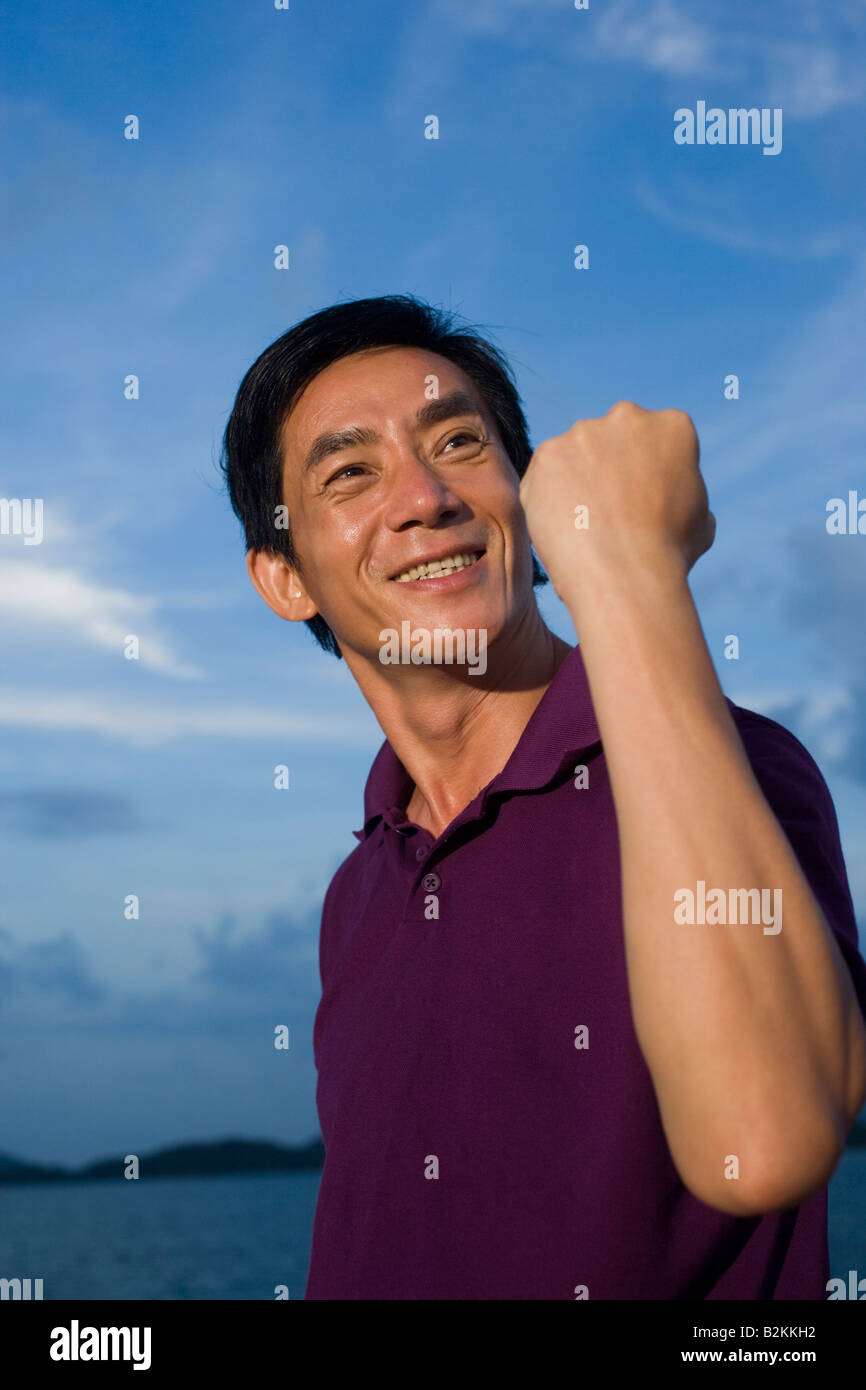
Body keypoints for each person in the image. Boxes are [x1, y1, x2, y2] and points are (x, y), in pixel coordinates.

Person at [221, 293, 866, 1300]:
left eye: (460, 443)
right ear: (283, 577)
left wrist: (627, 565)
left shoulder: (727, 762)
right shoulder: (360, 884)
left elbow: (763, 1142)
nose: (425, 496)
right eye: (351, 471)